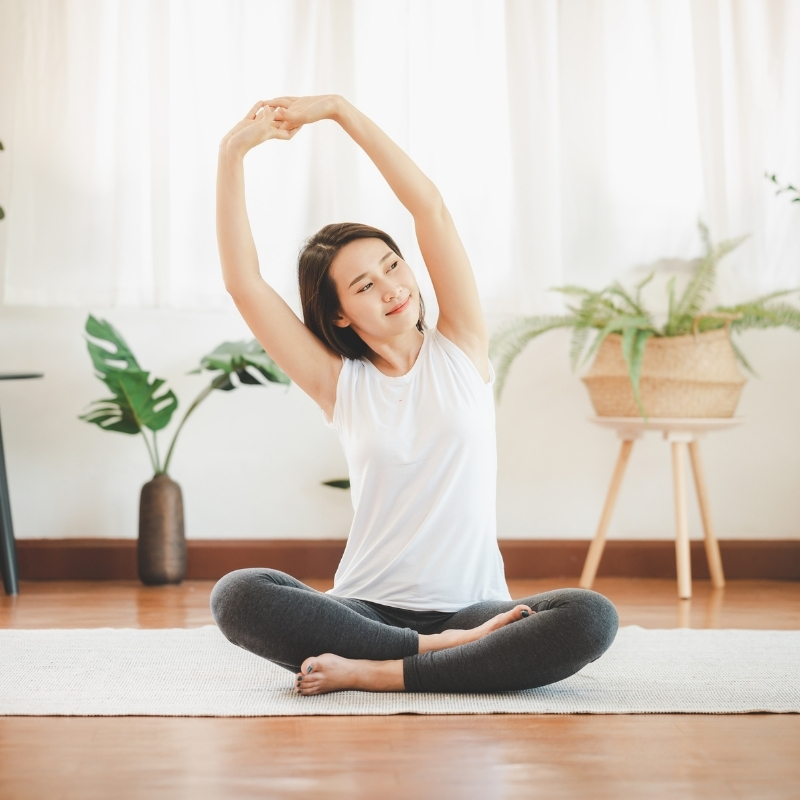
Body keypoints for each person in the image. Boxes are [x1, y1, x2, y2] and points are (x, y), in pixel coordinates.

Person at [210, 95, 618, 696]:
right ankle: (427, 656)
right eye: (364, 285)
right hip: (366, 612)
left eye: (393, 266)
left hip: (475, 612)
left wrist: (339, 112)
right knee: (237, 595)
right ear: (341, 316)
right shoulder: (340, 383)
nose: (392, 288)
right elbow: (243, 283)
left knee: (590, 618)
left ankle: (378, 673)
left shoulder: (461, 346)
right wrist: (232, 152)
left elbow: (430, 209)